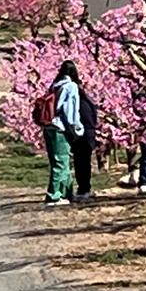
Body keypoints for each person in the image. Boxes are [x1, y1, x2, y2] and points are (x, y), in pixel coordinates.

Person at [42, 60, 84, 206]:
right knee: (61, 161)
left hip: (49, 127)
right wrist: (77, 129)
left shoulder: (54, 86)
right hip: (60, 127)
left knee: (58, 161)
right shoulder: (71, 86)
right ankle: (53, 195)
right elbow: (70, 112)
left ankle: (66, 193)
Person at [73, 85, 98, 201]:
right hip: (89, 136)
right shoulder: (89, 103)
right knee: (85, 164)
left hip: (82, 137)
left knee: (80, 164)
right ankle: (85, 188)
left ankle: (83, 189)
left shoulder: (80, 105)